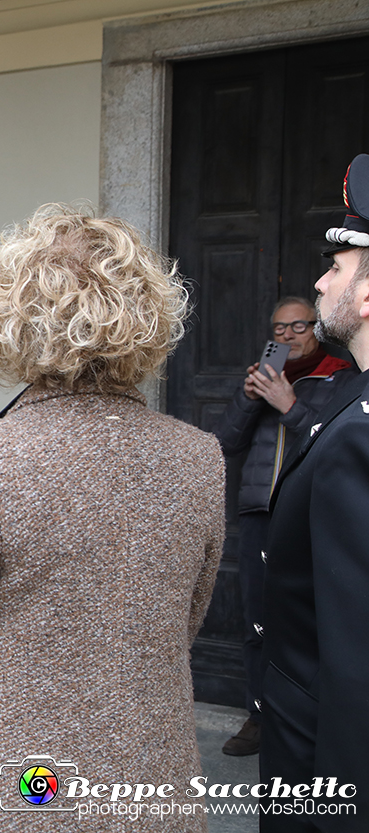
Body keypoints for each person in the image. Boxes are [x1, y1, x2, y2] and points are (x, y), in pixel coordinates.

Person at [0, 204, 223, 831]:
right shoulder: (199, 456)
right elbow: (181, 622)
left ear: (13, 319)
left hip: (12, 783)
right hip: (147, 779)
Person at [259, 153, 369, 831]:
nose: (321, 281)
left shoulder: (360, 434)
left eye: (338, 267)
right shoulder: (348, 398)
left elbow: (356, 657)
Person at [215, 298, 353, 756]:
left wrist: (289, 405)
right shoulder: (264, 377)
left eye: (298, 326)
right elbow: (225, 443)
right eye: (280, 329)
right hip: (259, 512)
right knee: (255, 619)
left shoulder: (343, 378)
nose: (289, 336)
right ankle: (259, 717)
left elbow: (331, 443)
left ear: (316, 328)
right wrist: (248, 397)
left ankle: (312, 715)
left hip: (310, 515)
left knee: (307, 617)